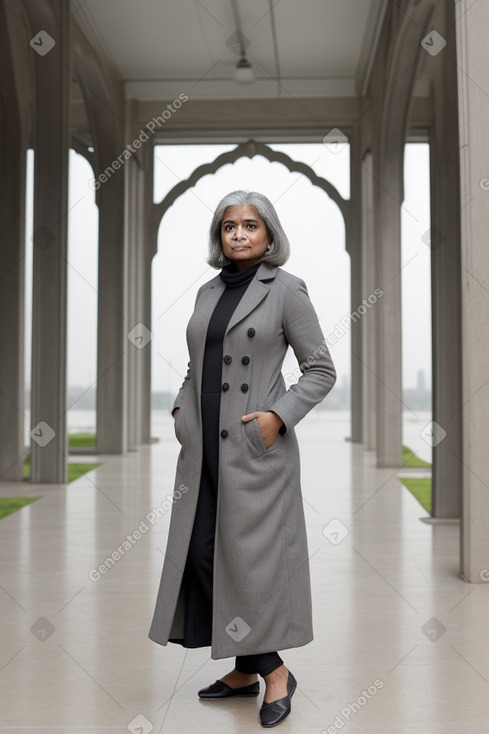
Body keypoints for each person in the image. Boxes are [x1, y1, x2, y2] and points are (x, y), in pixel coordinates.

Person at [149, 190, 336, 728]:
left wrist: (278, 416)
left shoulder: (287, 291)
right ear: (219, 236)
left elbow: (321, 371)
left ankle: (271, 671)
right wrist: (183, 406)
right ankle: (248, 670)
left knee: (248, 563)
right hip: (203, 449)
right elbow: (196, 365)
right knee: (203, 553)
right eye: (229, 226)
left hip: (256, 453)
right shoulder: (208, 291)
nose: (238, 234)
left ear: (269, 235)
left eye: (250, 225)